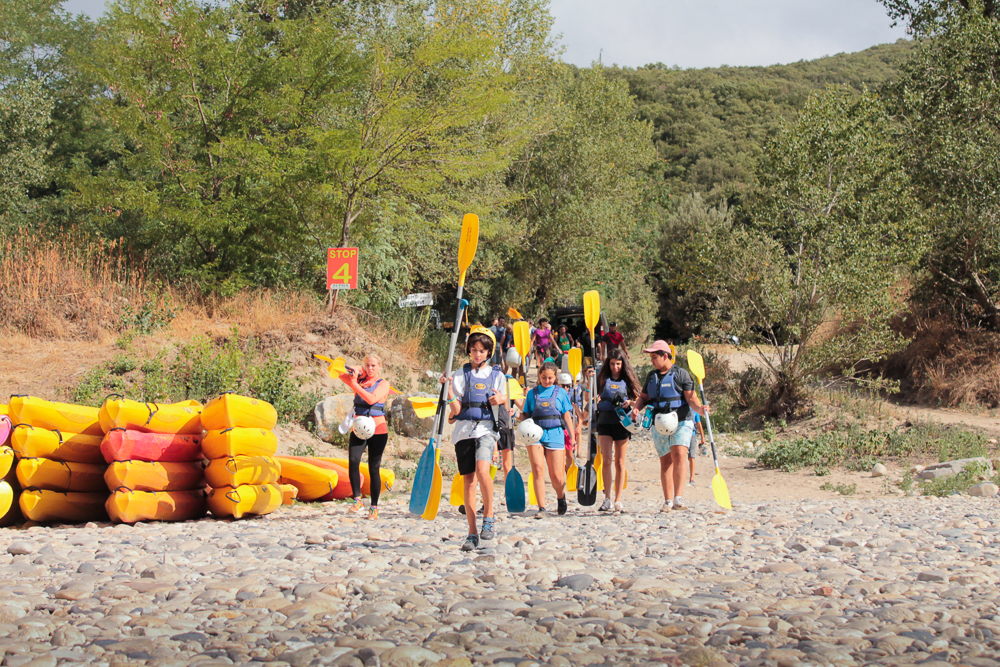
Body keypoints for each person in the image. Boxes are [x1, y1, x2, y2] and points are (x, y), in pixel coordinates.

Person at [443, 326, 508, 551]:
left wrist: (500, 399)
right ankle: (471, 533)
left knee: (483, 470)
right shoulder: (460, 375)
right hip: (464, 432)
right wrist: (448, 391)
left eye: (482, 351)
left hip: (487, 431)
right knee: (468, 482)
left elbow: (505, 405)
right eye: (474, 350)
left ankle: (489, 515)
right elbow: (457, 408)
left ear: (488, 353)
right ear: (469, 351)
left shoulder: (497, 375)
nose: (477, 354)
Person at [631, 340, 710, 511]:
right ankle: (667, 500)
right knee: (665, 460)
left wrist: (700, 409)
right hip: (659, 423)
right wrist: (637, 408)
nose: (651, 361)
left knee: (680, 454)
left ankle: (678, 497)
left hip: (682, 421)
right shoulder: (651, 377)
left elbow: (691, 399)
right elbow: (644, 397)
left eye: (654, 357)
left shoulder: (682, 375)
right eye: (650, 357)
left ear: (665, 356)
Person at [338, 354, 393, 521]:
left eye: (373, 366)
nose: (370, 369)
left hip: (377, 429)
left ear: (379, 366)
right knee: (353, 461)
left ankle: (374, 507)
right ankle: (357, 499)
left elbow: (371, 399)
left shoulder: (383, 384)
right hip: (359, 427)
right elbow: (341, 375)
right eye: (367, 365)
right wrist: (357, 371)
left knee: (373, 467)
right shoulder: (360, 380)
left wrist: (355, 384)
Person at [519, 362, 575, 516]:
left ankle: (560, 496)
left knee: (556, 476)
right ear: (539, 376)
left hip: (555, 433)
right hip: (535, 434)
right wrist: (515, 414)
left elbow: (567, 417)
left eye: (550, 378)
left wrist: (572, 437)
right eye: (544, 377)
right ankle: (541, 507)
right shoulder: (532, 393)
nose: (547, 380)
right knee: (537, 469)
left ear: (555, 377)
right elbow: (525, 415)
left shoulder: (561, 393)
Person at [594, 348, 641, 512]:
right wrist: (594, 398)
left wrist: (630, 403)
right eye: (613, 364)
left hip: (622, 422)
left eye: (618, 364)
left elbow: (638, 400)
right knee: (606, 460)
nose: (615, 367)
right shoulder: (601, 379)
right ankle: (607, 498)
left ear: (623, 364)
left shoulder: (627, 380)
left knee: (620, 462)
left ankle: (618, 499)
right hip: (605, 421)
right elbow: (590, 399)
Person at [688, 412, 706, 485]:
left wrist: (702, 437)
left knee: (692, 456)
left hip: (692, 434)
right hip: (681, 434)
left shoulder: (695, 411)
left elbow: (699, 424)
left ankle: (692, 478)